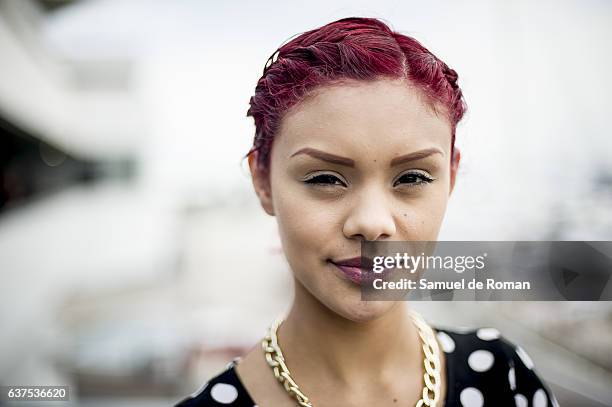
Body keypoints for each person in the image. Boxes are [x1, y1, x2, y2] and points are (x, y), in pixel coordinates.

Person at [175, 17, 557, 407]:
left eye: (412, 177)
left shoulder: (504, 381)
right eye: (325, 178)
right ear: (262, 180)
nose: (373, 223)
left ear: (451, 178)